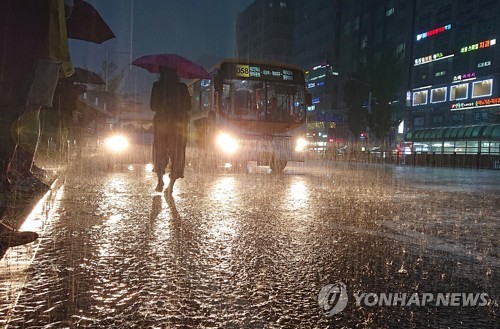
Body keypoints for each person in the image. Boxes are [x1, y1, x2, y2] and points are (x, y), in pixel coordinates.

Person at [150, 67, 191, 194]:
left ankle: (160, 181)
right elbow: (188, 106)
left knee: (160, 152)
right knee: (177, 155)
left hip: (162, 124)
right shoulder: (182, 87)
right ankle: (171, 185)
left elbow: (152, 106)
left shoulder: (157, 86)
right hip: (178, 126)